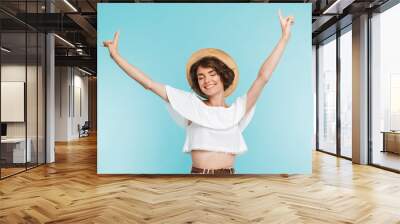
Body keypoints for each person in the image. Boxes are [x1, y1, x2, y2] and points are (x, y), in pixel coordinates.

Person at [103, 10, 294, 175]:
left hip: (229, 178)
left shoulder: (238, 108)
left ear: (223, 76)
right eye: (201, 77)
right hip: (197, 176)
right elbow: (149, 84)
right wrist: (116, 56)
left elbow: (263, 77)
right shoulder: (190, 105)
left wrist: (284, 38)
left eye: (212, 74)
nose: (207, 80)